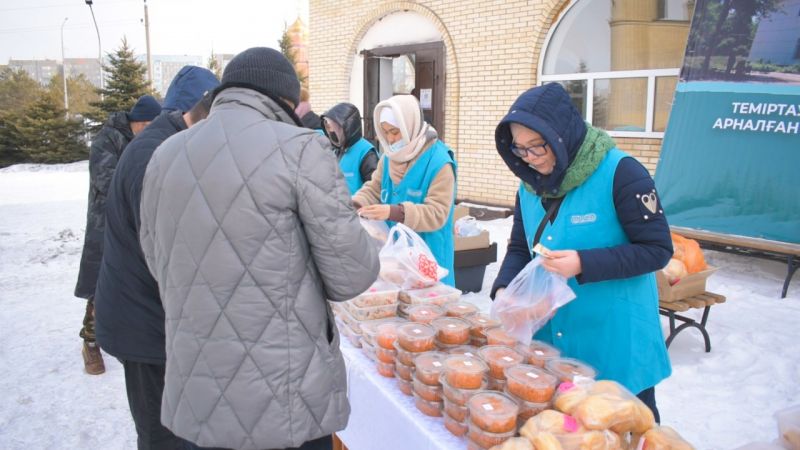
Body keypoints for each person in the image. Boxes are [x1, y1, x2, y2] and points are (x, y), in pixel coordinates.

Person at [138, 47, 379, 450]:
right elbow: (351, 275)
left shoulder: (164, 155)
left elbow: (157, 261)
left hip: (198, 394)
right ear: (285, 99)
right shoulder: (301, 149)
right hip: (284, 398)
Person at [490, 82, 672, 421]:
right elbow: (520, 246)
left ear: (562, 135)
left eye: (538, 147)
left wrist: (583, 263)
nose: (530, 158)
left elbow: (657, 250)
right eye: (520, 149)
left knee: (626, 432)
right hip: (554, 343)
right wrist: (505, 290)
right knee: (568, 433)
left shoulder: (622, 172)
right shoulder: (529, 184)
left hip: (614, 340)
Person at [94, 65, 219, 450]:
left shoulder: (168, 142)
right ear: (202, 110)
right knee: (161, 432)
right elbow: (174, 250)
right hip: (145, 324)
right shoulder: (157, 155)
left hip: (154, 316)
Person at [74, 94, 161, 375]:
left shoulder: (149, 139)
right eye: (145, 124)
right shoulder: (108, 139)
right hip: (105, 223)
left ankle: (125, 336)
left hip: (137, 220)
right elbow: (106, 179)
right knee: (100, 284)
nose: (149, 129)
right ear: (137, 122)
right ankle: (91, 342)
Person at [353, 94, 457, 286]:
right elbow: (374, 189)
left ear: (410, 125)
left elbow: (437, 213)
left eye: (395, 131)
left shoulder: (439, 162)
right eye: (385, 133)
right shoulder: (389, 158)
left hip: (429, 260)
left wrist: (394, 212)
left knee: (427, 311)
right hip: (396, 258)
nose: (390, 139)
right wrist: (355, 204)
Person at [321, 102, 379, 195]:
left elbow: (375, 190)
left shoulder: (366, 152)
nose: (331, 132)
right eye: (329, 128)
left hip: (358, 208)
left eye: (336, 128)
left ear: (349, 127)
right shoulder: (337, 150)